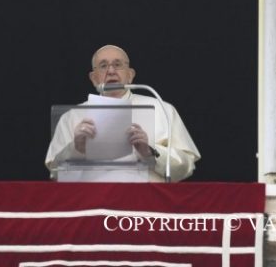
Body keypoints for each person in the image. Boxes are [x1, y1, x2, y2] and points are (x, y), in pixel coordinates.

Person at [45, 45, 200, 182]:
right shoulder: (72, 117)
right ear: (93, 78)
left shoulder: (161, 108)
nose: (111, 71)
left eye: (117, 65)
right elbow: (55, 174)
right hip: (92, 201)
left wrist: (149, 152)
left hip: (146, 201)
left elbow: (186, 167)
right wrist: (76, 149)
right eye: (103, 66)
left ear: (130, 74)